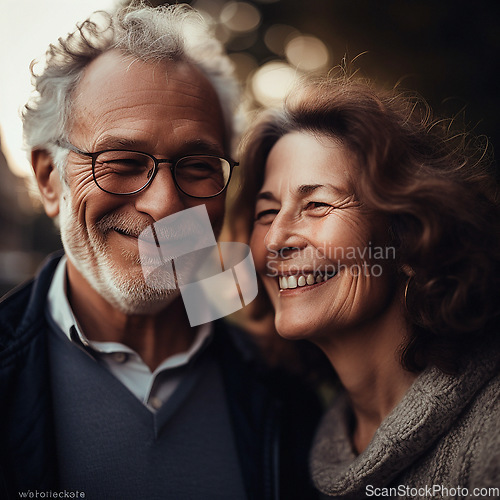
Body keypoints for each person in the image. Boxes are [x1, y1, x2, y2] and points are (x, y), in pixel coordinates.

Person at [0, 4, 321, 499]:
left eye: (197, 166)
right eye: (123, 161)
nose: (166, 204)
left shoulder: (286, 384)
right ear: (48, 179)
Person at [236, 74, 500, 498]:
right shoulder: (290, 433)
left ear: (411, 234)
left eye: (316, 204)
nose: (275, 239)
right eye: (267, 212)